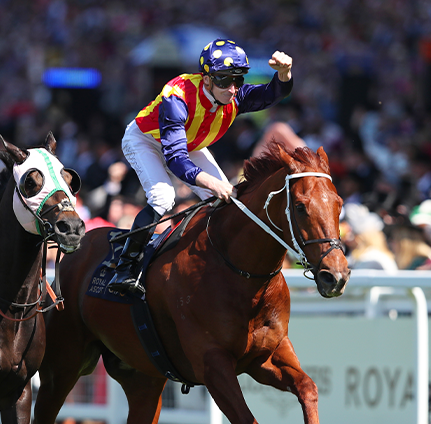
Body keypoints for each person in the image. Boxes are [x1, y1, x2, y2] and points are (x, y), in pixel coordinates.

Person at [107, 39, 295, 296]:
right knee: (163, 197)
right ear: (206, 79)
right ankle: (124, 268)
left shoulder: (234, 95)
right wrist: (212, 182)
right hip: (146, 139)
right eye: (224, 80)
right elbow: (175, 159)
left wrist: (284, 74)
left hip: (189, 142)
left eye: (238, 80)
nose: (232, 89)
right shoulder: (177, 96)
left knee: (226, 201)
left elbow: (272, 94)